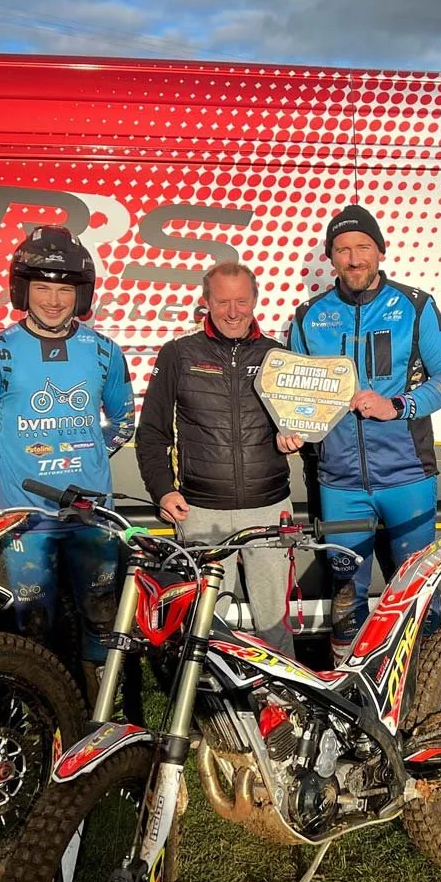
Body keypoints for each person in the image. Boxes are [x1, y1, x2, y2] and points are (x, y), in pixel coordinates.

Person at [0, 224, 136, 709]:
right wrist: (18, 467)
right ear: (22, 290)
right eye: (42, 288)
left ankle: (103, 716)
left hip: (92, 516)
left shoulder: (103, 352)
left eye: (64, 289)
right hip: (27, 518)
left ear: (80, 293)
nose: (54, 300)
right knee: (34, 622)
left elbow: (124, 421)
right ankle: (42, 711)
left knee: (101, 615)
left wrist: (85, 454)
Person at [279, 204, 441, 659]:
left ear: (380, 250)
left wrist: (397, 405)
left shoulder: (415, 305)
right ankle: (351, 708)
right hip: (340, 482)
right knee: (346, 597)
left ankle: (428, 698)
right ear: (331, 258)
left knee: (418, 594)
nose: (354, 258)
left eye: (363, 246)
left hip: (408, 477)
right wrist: (291, 426)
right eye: (342, 249)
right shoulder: (309, 317)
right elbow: (293, 395)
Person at [136, 261, 297, 656]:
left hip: (269, 510)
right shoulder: (178, 353)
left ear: (255, 300)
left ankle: (282, 708)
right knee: (207, 626)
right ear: (206, 302)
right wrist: (162, 491)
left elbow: (303, 426)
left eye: (241, 301)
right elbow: (152, 433)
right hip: (202, 513)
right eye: (222, 301)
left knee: (274, 626)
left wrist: (294, 440)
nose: (232, 311)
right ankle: (211, 711)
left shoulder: (278, 356)